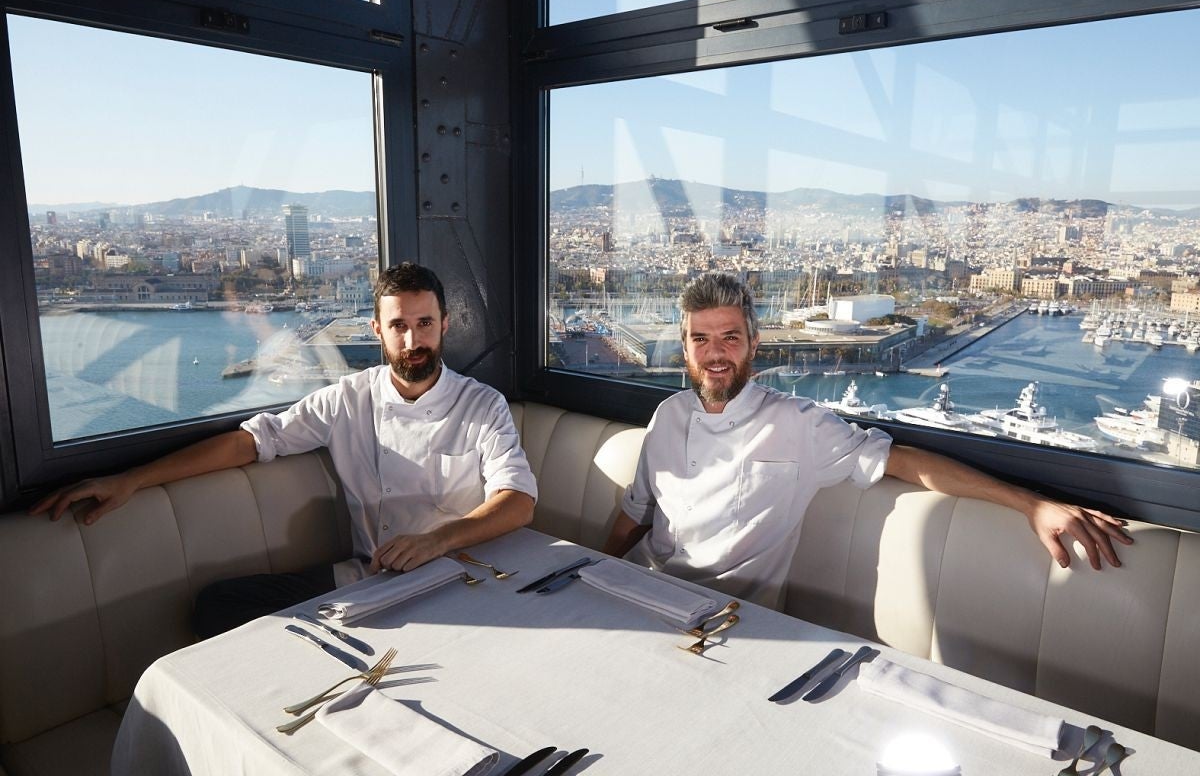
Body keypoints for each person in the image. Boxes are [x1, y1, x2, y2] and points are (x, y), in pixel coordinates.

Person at [31, 262, 537, 637]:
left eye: (424, 323)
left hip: (455, 573)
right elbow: (252, 442)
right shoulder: (348, 398)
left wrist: (439, 539)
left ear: (445, 323)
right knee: (218, 605)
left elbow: (518, 500)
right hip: (368, 578)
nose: (413, 340)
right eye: (399, 326)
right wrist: (132, 480)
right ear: (377, 331)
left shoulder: (481, 404)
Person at [603, 272, 1133, 609]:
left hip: (724, 618)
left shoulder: (798, 424)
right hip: (636, 589)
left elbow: (907, 463)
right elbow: (635, 515)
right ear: (685, 347)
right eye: (701, 339)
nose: (715, 353)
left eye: (730, 338)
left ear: (754, 346)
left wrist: (1030, 503)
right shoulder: (667, 415)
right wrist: (594, 569)